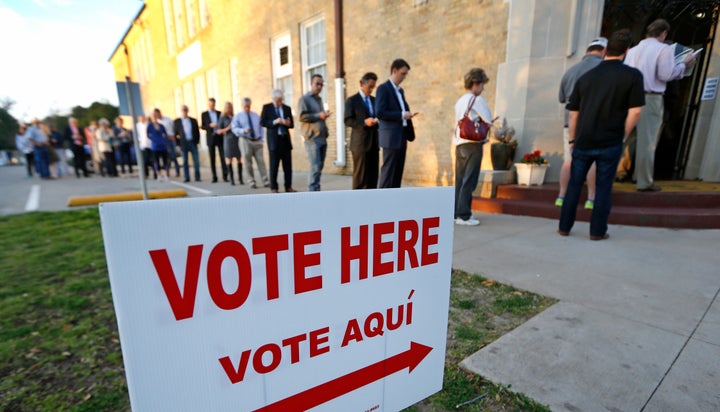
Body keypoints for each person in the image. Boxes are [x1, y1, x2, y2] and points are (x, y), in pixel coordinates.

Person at [559, 29, 645, 240]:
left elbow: (573, 113)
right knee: (604, 188)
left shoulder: (586, 77)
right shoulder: (632, 76)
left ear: (606, 50)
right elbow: (635, 111)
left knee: (574, 185)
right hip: (611, 140)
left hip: (584, 140)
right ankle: (597, 231)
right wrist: (623, 134)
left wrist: (572, 138)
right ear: (626, 51)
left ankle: (564, 227)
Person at [624, 18, 695, 193]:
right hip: (651, 98)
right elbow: (665, 74)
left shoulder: (633, 51)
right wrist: (683, 64)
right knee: (647, 142)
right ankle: (644, 181)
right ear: (664, 33)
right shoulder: (663, 49)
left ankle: (613, 174)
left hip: (629, 97)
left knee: (625, 138)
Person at [557, 38, 607, 209]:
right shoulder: (602, 70)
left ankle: (561, 196)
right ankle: (591, 198)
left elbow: (562, 99)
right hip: (592, 123)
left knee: (568, 161)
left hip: (570, 123)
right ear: (604, 51)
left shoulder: (570, 72)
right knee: (592, 161)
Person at [453, 68, 493, 226]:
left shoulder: (460, 100)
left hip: (459, 143)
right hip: (473, 144)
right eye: (482, 84)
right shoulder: (477, 100)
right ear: (476, 83)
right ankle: (464, 215)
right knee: (470, 180)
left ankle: (456, 212)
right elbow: (488, 120)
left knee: (460, 180)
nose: (483, 88)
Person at [376, 58, 416, 188]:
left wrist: (407, 115)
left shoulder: (400, 91)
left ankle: (394, 204)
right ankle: (382, 204)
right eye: (403, 73)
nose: (404, 77)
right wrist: (401, 115)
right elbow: (380, 113)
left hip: (402, 135)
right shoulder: (383, 88)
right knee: (388, 174)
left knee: (398, 173)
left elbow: (401, 109)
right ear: (394, 71)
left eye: (406, 74)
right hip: (390, 138)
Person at [345, 72, 380, 189]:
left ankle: (372, 203)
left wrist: (378, 120)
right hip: (360, 145)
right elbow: (348, 120)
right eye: (369, 86)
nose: (371, 89)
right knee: (360, 178)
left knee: (373, 177)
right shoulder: (352, 100)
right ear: (361, 83)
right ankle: (357, 204)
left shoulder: (375, 100)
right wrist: (364, 122)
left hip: (374, 143)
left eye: (373, 87)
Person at [298, 74, 330, 191]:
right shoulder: (304, 99)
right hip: (312, 138)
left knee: (319, 167)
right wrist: (319, 115)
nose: (319, 86)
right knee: (315, 167)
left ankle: (316, 190)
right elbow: (302, 117)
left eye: (321, 84)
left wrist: (323, 116)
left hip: (322, 137)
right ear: (311, 84)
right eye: (317, 83)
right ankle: (312, 193)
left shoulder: (319, 99)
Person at [261, 89, 296, 193]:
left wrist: (286, 123)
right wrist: (275, 122)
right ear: (273, 99)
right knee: (274, 166)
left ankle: (288, 186)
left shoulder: (287, 108)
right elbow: (262, 122)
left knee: (288, 166)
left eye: (280, 100)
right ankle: (274, 188)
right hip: (274, 142)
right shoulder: (267, 108)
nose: (279, 102)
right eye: (277, 100)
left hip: (285, 140)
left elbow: (292, 124)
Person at [233, 97, 270, 188]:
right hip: (245, 140)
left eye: (248, 106)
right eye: (245, 106)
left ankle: (265, 180)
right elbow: (234, 128)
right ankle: (251, 181)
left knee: (261, 161)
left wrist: (261, 139)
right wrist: (243, 131)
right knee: (247, 162)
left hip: (257, 141)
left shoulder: (255, 115)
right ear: (242, 106)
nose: (247, 108)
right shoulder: (238, 116)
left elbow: (261, 127)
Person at [201, 98, 228, 183]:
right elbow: (202, 126)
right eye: (210, 105)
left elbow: (223, 124)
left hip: (219, 137)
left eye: (213, 105)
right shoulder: (204, 114)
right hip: (210, 138)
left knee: (223, 157)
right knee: (212, 158)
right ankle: (214, 176)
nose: (211, 106)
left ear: (215, 104)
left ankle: (225, 176)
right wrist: (209, 125)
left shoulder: (219, 113)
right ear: (208, 105)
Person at [174, 105, 201, 182]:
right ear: (181, 111)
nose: (184, 112)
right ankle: (187, 177)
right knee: (185, 161)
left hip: (192, 142)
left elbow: (197, 132)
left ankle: (197, 177)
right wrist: (178, 145)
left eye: (185, 110)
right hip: (183, 143)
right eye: (183, 110)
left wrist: (197, 141)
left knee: (196, 160)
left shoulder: (193, 120)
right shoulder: (177, 121)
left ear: (187, 111)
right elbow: (175, 134)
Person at [217, 101, 241, 185]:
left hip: (236, 139)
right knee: (229, 159)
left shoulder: (235, 116)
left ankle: (240, 179)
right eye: (228, 107)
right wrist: (227, 128)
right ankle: (232, 180)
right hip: (228, 139)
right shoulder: (223, 118)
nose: (229, 109)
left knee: (239, 158)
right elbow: (218, 131)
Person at [155, 108, 180, 178]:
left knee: (173, 156)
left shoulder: (167, 119)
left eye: (157, 114)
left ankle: (177, 171)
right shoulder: (157, 122)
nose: (157, 115)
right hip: (164, 141)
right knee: (167, 157)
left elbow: (173, 128)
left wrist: (173, 135)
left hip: (171, 139)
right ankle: (167, 171)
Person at [147, 111, 170, 181]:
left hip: (162, 145)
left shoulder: (161, 125)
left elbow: (165, 134)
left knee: (165, 160)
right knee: (156, 161)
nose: (154, 117)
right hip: (155, 146)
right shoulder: (150, 126)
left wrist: (163, 139)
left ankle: (166, 174)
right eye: (153, 116)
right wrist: (154, 139)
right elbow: (148, 135)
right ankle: (158, 175)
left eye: (155, 116)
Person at [136, 115, 155, 179]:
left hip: (150, 144)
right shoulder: (137, 125)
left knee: (152, 160)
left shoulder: (148, 124)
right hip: (142, 145)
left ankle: (155, 173)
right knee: (144, 161)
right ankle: (145, 174)